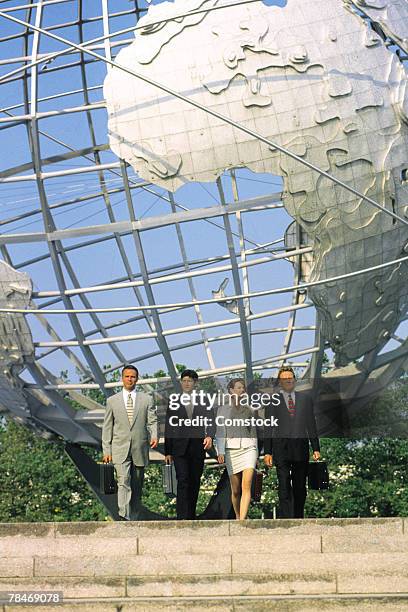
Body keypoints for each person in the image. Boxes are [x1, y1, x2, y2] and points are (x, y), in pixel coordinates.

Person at [102, 365, 158, 521]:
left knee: (137, 484)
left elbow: (152, 420)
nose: (129, 379)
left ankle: (134, 515)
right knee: (123, 481)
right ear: (122, 378)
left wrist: (154, 435)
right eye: (127, 376)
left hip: (139, 447)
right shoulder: (112, 401)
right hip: (119, 448)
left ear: (137, 379)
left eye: (132, 376)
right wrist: (106, 450)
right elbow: (107, 427)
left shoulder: (146, 399)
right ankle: (124, 516)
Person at [263, 366, 320, 519]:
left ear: (294, 380)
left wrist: (316, 448)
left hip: (301, 448)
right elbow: (268, 426)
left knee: (300, 485)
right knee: (283, 483)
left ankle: (298, 516)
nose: (288, 380)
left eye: (290, 378)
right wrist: (267, 451)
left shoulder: (306, 399)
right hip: (280, 448)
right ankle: (287, 518)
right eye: (284, 378)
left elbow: (311, 424)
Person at [164, 369, 215, 520]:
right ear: (181, 383)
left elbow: (211, 420)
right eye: (184, 381)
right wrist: (168, 452)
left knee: (194, 481)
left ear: (195, 383)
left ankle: (191, 516)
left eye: (190, 381)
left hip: (197, 447)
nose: (187, 383)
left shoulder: (203, 400)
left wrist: (210, 436)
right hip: (179, 448)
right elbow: (169, 427)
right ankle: (182, 517)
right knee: (183, 480)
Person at [216, 378, 258, 520]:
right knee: (236, 490)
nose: (241, 390)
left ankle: (242, 521)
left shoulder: (250, 409)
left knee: (246, 485)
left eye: (243, 388)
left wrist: (256, 453)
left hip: (249, 449)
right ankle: (238, 515)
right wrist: (220, 451)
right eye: (238, 387)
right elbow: (220, 431)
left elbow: (253, 432)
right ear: (231, 391)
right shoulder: (223, 410)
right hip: (231, 450)